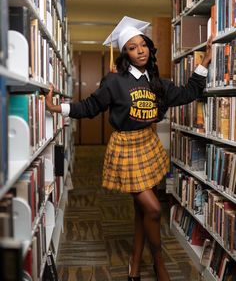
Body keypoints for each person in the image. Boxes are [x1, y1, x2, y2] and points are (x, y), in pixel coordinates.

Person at [45, 16, 212, 281]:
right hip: (126, 148)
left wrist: (204, 64)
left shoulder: (157, 82)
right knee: (154, 209)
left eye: (142, 44)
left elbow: (187, 93)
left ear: (149, 47)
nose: (140, 50)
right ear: (126, 53)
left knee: (142, 211)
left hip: (149, 144)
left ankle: (134, 262)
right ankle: (159, 263)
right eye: (132, 47)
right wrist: (59, 108)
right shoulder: (114, 82)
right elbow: (89, 107)